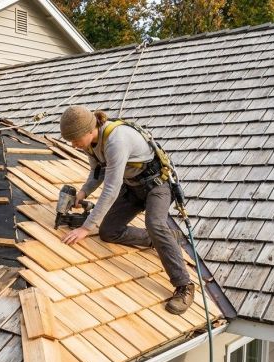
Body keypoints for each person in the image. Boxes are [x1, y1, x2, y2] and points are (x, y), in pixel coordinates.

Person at [58, 105, 195, 315]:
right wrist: (83, 193)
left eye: (75, 140)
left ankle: (184, 286)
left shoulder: (116, 141)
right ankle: (164, 238)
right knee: (108, 231)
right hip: (132, 188)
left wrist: (86, 228)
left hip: (157, 186)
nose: (74, 145)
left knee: (155, 224)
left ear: (89, 130)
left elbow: (111, 189)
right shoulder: (91, 144)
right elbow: (97, 172)